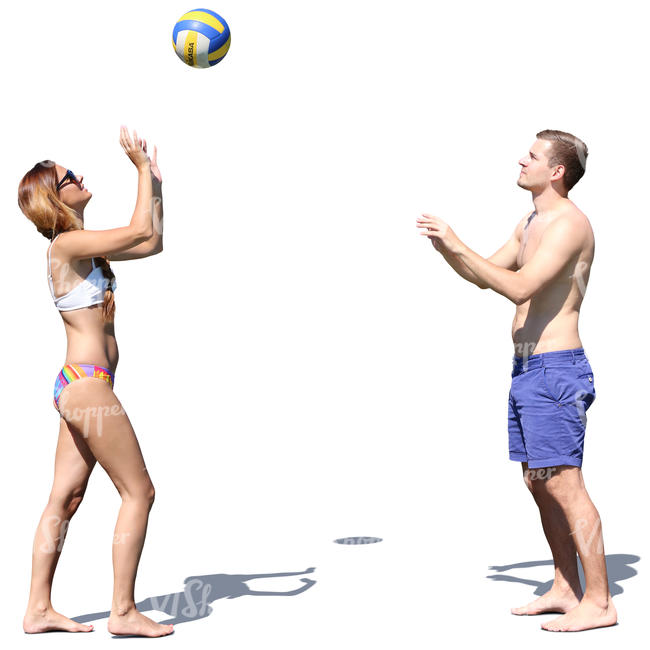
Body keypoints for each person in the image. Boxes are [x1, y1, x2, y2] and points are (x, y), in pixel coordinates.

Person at [416, 130, 617, 632]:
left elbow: (520, 286)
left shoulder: (569, 224)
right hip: (527, 369)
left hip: (556, 368)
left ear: (557, 172)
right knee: (538, 480)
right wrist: (448, 249)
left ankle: (600, 601)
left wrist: (460, 243)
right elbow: (486, 274)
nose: (521, 160)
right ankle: (565, 586)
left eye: (533, 155)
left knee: (566, 485)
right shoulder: (531, 220)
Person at [18, 126, 172, 637]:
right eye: (68, 177)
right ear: (53, 197)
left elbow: (151, 242)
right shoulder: (66, 245)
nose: (79, 177)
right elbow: (133, 232)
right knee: (140, 492)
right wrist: (139, 170)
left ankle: (38, 609)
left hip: (78, 386)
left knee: (65, 498)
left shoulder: (83, 248)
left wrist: (155, 185)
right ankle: (123, 612)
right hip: (88, 388)